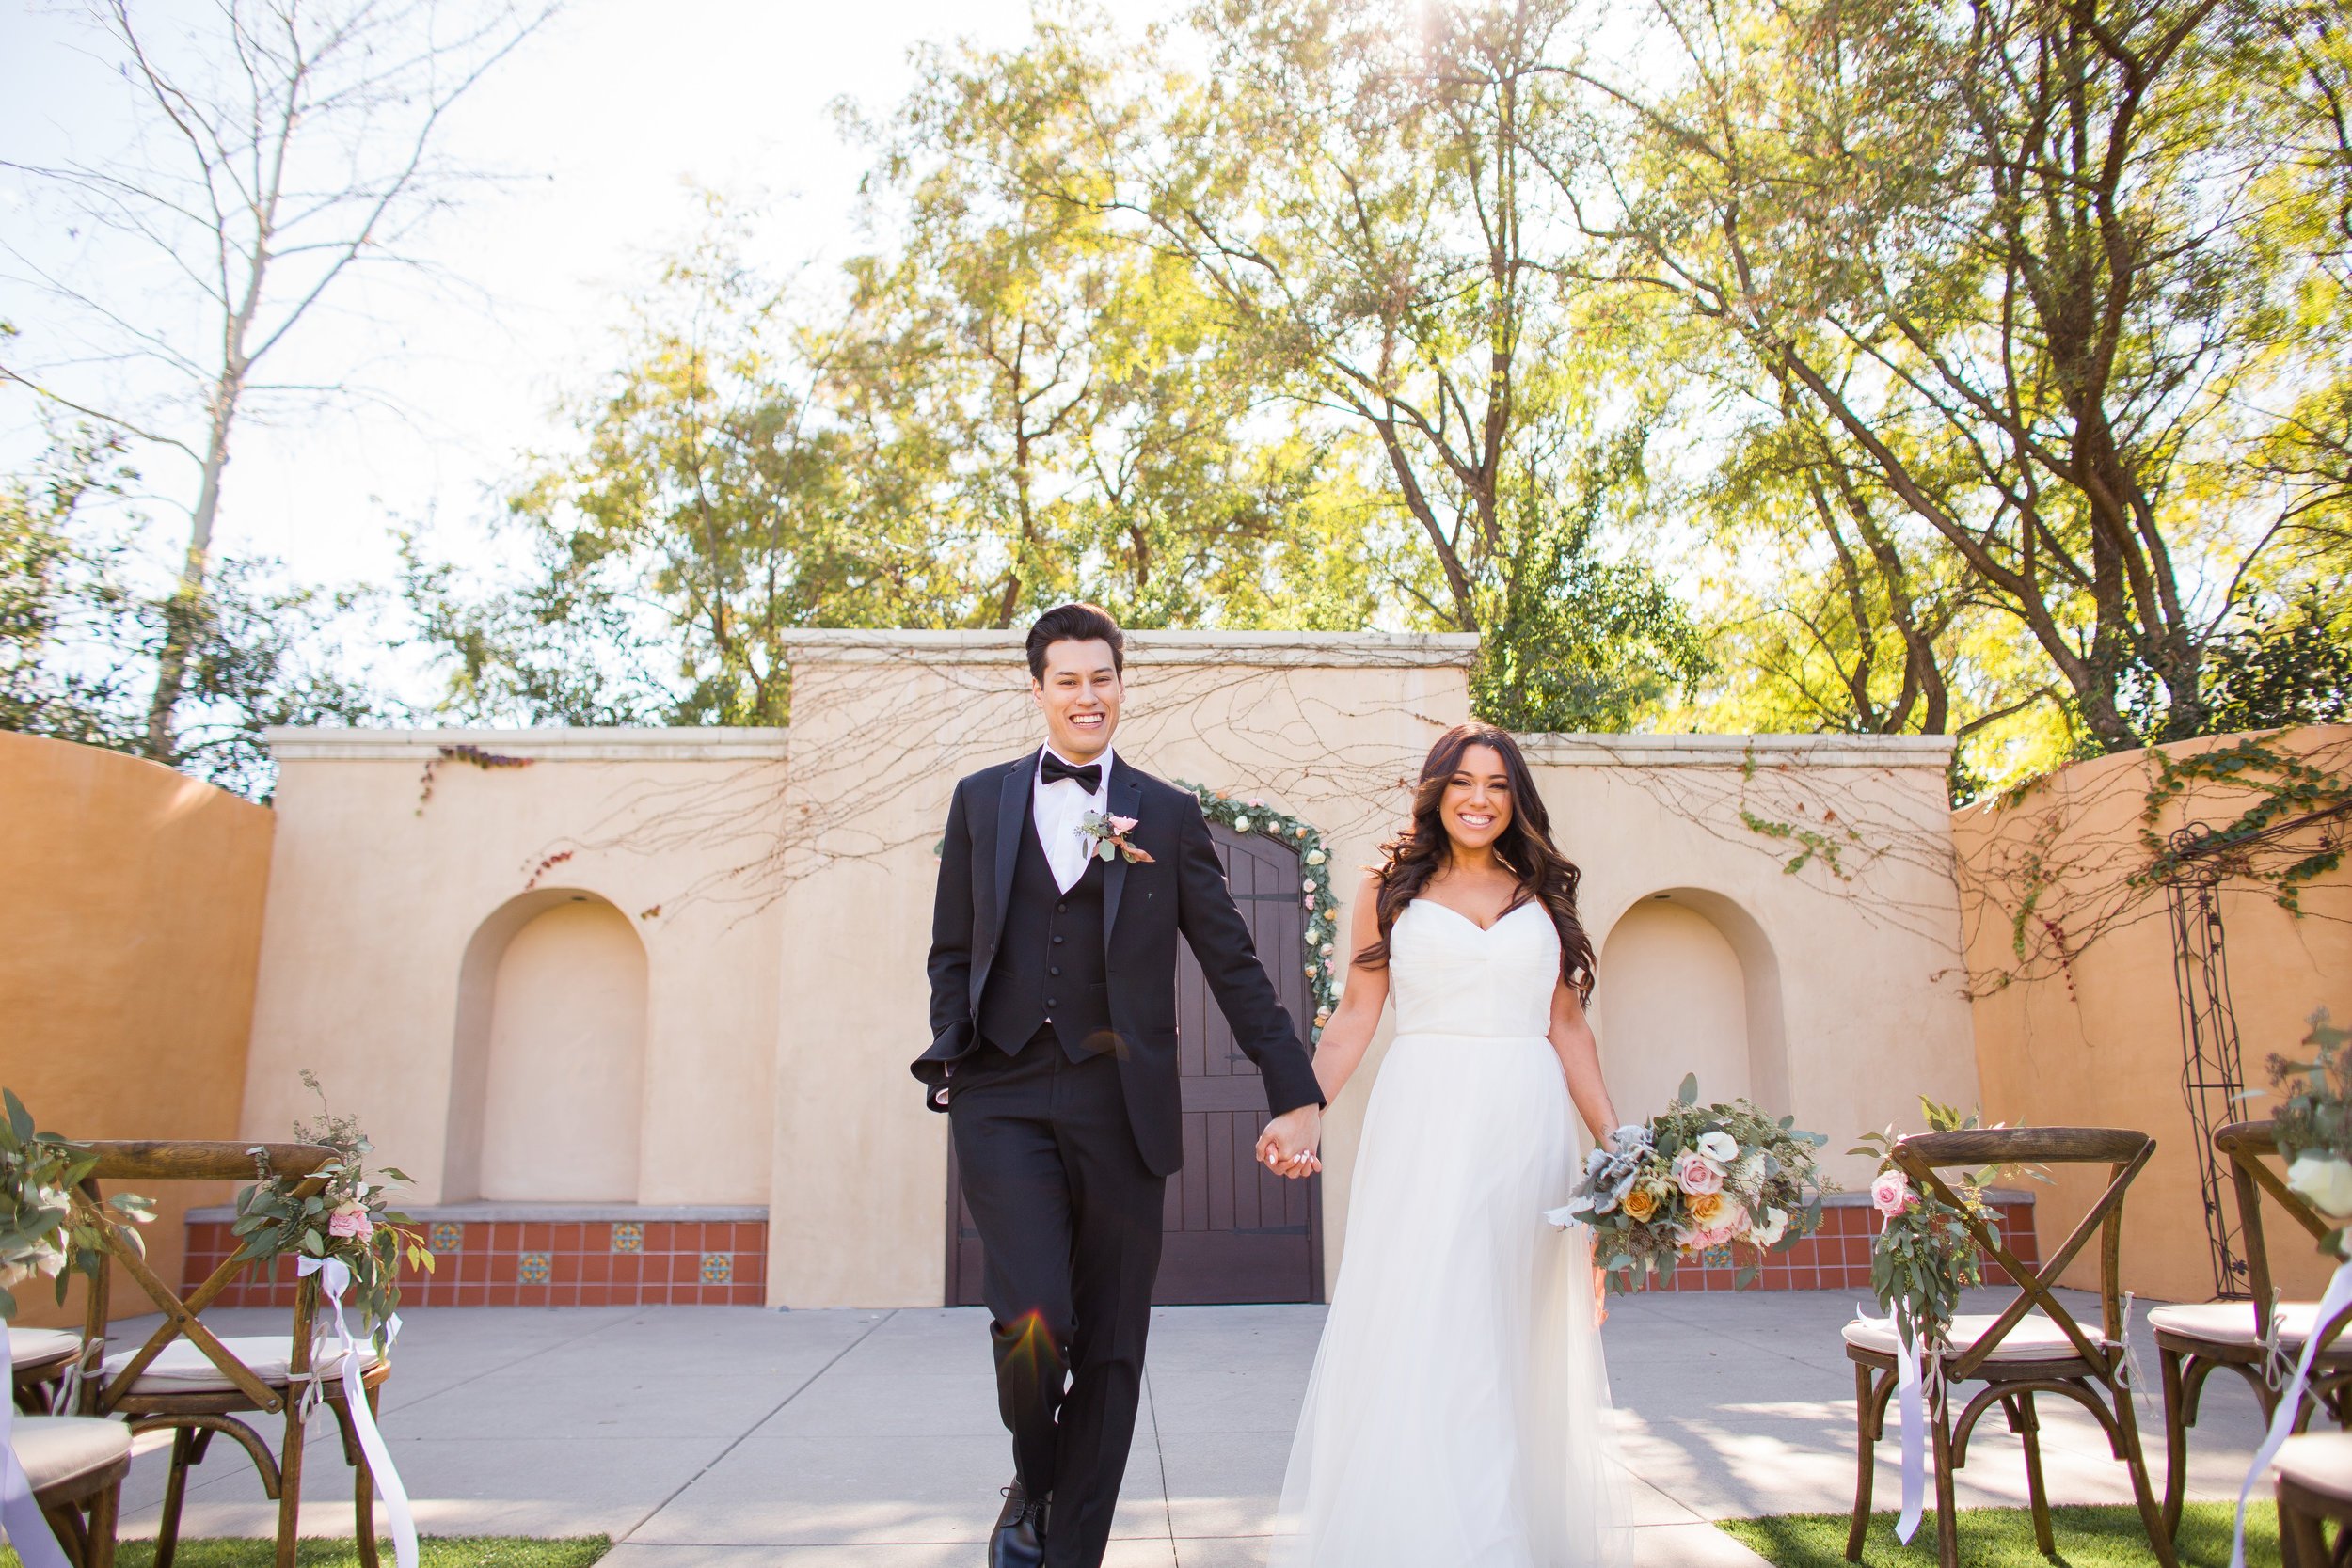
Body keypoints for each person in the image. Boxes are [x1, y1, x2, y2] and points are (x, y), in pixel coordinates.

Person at [913, 602, 1326, 1568]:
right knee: (1032, 1319)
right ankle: (1036, 1471)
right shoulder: (981, 800)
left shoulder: (1169, 813)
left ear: (1121, 684)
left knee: (1110, 1347)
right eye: (1067, 679)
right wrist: (949, 1042)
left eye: (1102, 677)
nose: (1086, 695)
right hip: (1002, 1093)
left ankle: (1067, 1552)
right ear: (1038, 688)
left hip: (1120, 1107)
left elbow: (1231, 960)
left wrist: (1291, 1084)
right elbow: (951, 947)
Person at [1268, 722, 1636, 1568]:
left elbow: (1569, 1030)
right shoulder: (1388, 888)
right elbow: (1356, 1015)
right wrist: (1303, 1107)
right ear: (1436, 789)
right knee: (1434, 1318)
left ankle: (1507, 1535)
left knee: (1511, 1326)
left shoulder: (1541, 891)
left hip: (1527, 1125)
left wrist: (1622, 1153)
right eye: (1464, 781)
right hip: (1426, 1120)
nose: (1480, 798)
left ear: (1517, 798)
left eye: (1499, 784)